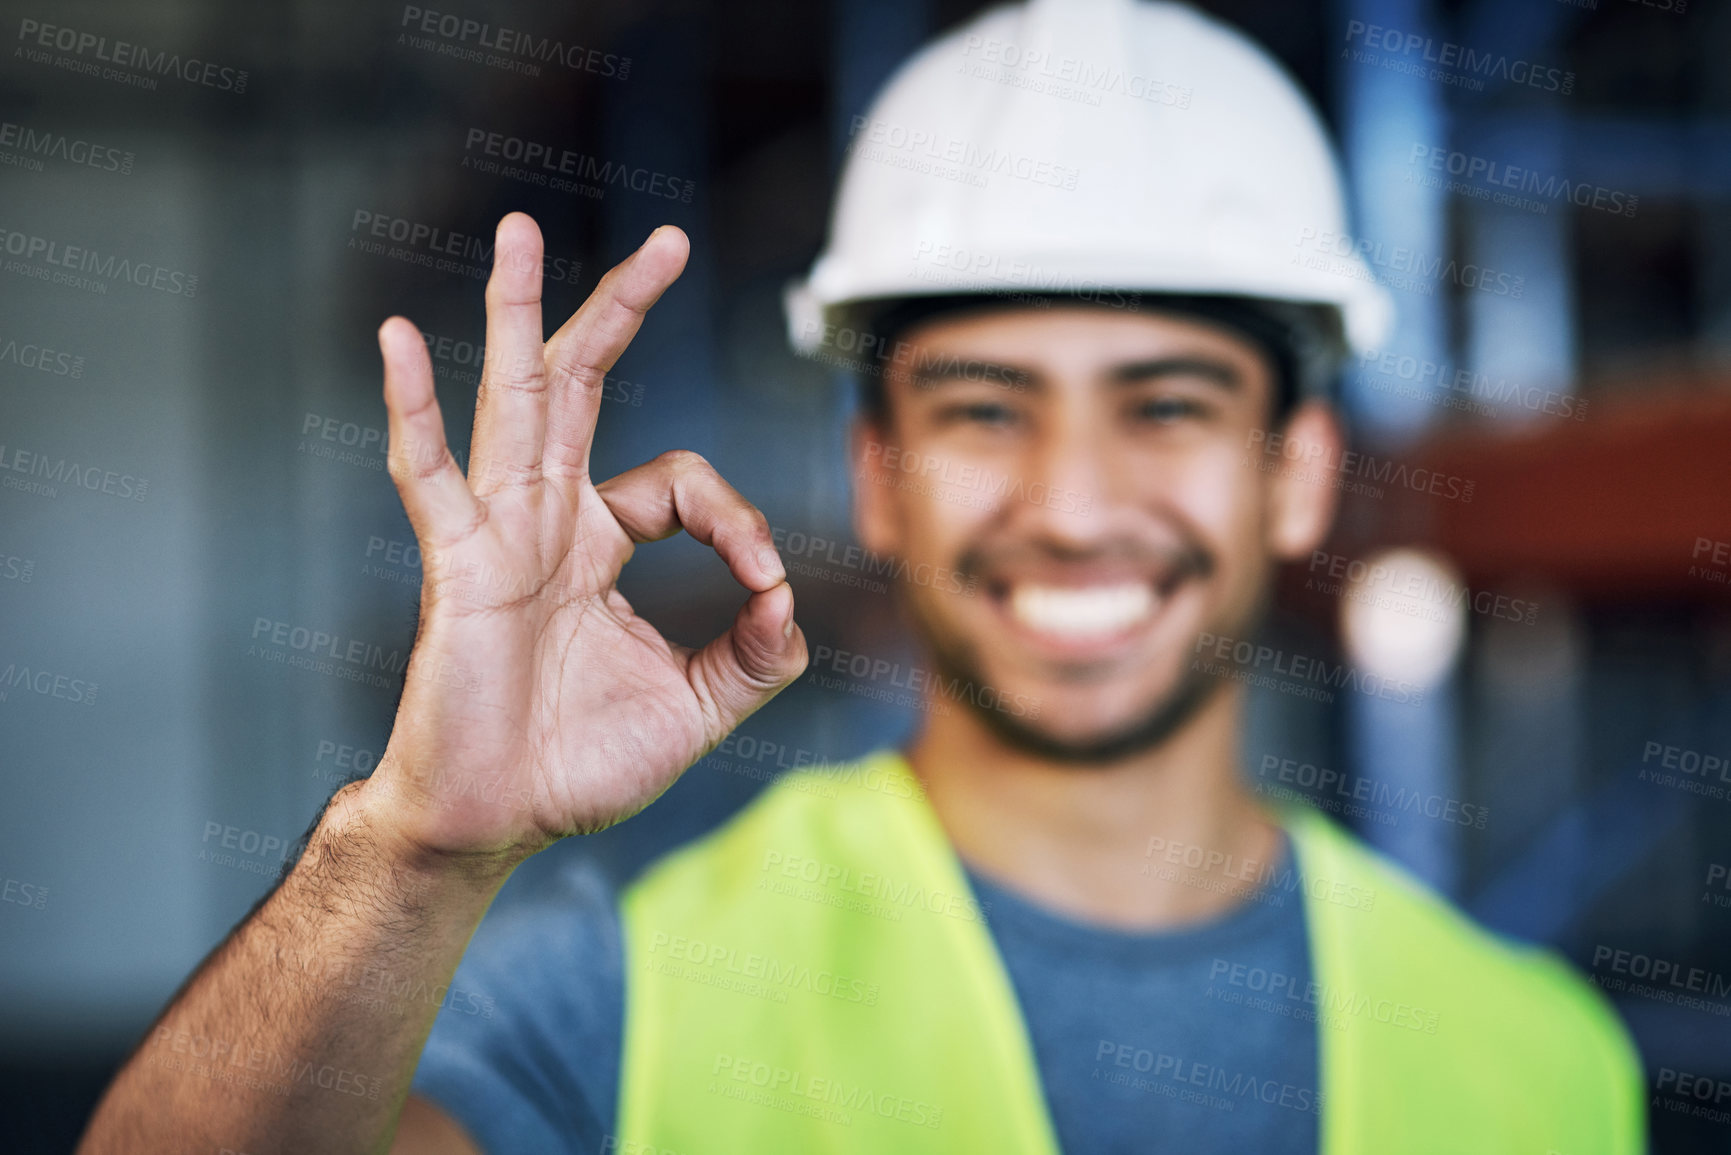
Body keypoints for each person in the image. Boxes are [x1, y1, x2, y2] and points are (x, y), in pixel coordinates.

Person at [78, 1, 1644, 1152]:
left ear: (1294, 471)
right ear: (878, 478)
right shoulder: (621, 999)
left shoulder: (1551, 1060)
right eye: (984, 411)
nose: (1076, 504)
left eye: (1166, 404)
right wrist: (412, 850)